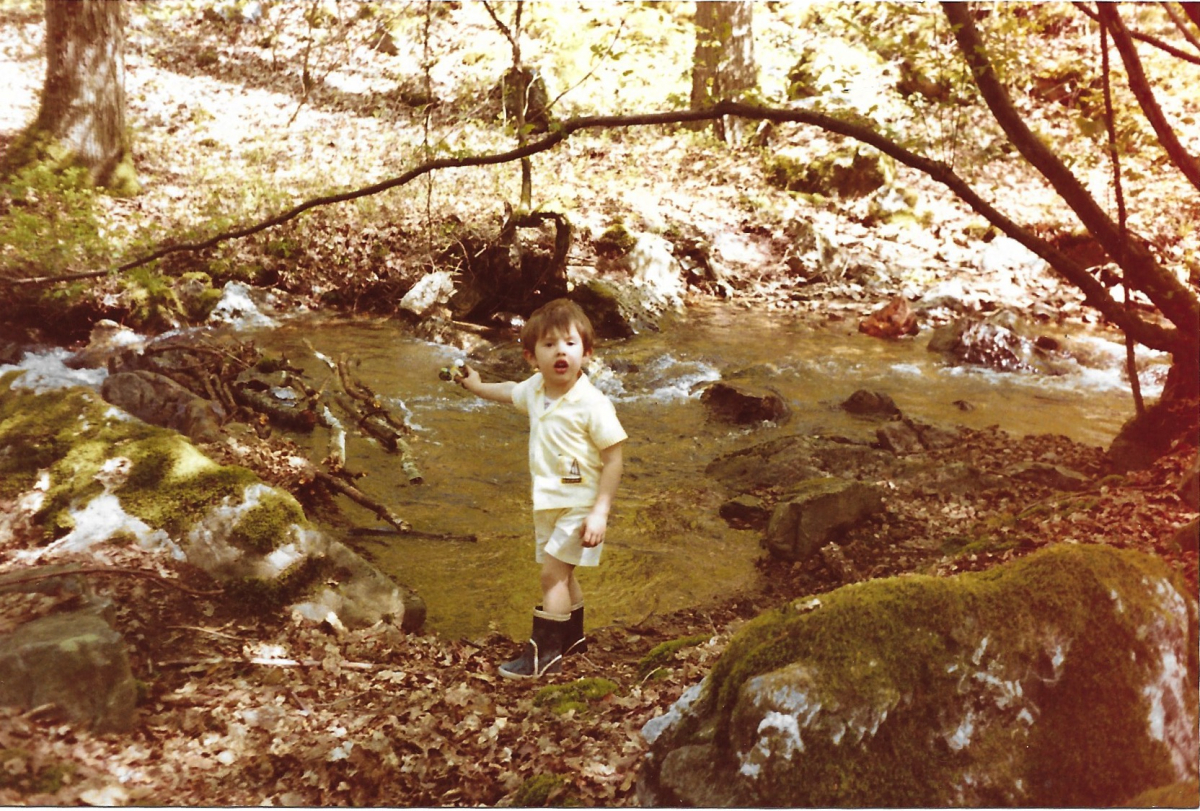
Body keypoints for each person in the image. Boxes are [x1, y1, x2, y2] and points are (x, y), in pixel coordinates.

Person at [454, 299, 626, 679]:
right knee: (564, 574)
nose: (560, 351)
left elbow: (614, 458)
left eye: (569, 343)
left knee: (551, 575)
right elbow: (510, 391)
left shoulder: (592, 404)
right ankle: (572, 640)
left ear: (587, 352)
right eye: (549, 345)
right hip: (547, 502)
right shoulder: (536, 390)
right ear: (532, 357)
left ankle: (544, 654)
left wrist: (600, 512)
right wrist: (477, 386)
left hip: (579, 503)